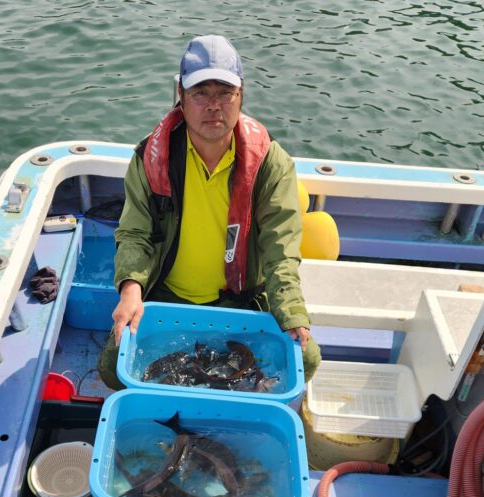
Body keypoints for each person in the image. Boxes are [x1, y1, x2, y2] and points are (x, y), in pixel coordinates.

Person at [97, 34, 321, 389]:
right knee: (112, 368)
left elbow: (282, 248)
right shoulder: (151, 158)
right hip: (165, 294)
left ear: (241, 97)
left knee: (306, 358)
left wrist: (290, 309)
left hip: (240, 297)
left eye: (225, 92)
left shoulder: (269, 163)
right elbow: (135, 233)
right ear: (181, 100)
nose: (213, 105)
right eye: (201, 93)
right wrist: (131, 289)